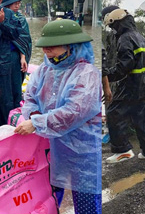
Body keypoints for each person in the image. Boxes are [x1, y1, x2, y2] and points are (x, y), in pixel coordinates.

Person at [15, 19, 101, 214]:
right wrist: (34, 114)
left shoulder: (86, 74)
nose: (47, 52)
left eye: (52, 47)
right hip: (49, 144)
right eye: (44, 47)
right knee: (48, 195)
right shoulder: (45, 70)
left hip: (82, 147)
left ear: (70, 46)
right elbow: (29, 98)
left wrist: (37, 123)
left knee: (86, 196)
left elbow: (74, 112)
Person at [101, 6, 145, 163]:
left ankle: (122, 150)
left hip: (131, 85)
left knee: (114, 113)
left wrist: (109, 73)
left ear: (119, 23)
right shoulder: (139, 36)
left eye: (114, 26)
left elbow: (125, 65)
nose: (113, 30)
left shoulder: (125, 38)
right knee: (141, 117)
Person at [2, 0, 32, 97]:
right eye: (14, 4)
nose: (17, 6)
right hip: (1, 56)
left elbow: (24, 40)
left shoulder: (20, 19)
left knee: (15, 84)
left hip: (14, 55)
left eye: (18, 3)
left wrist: (22, 57)